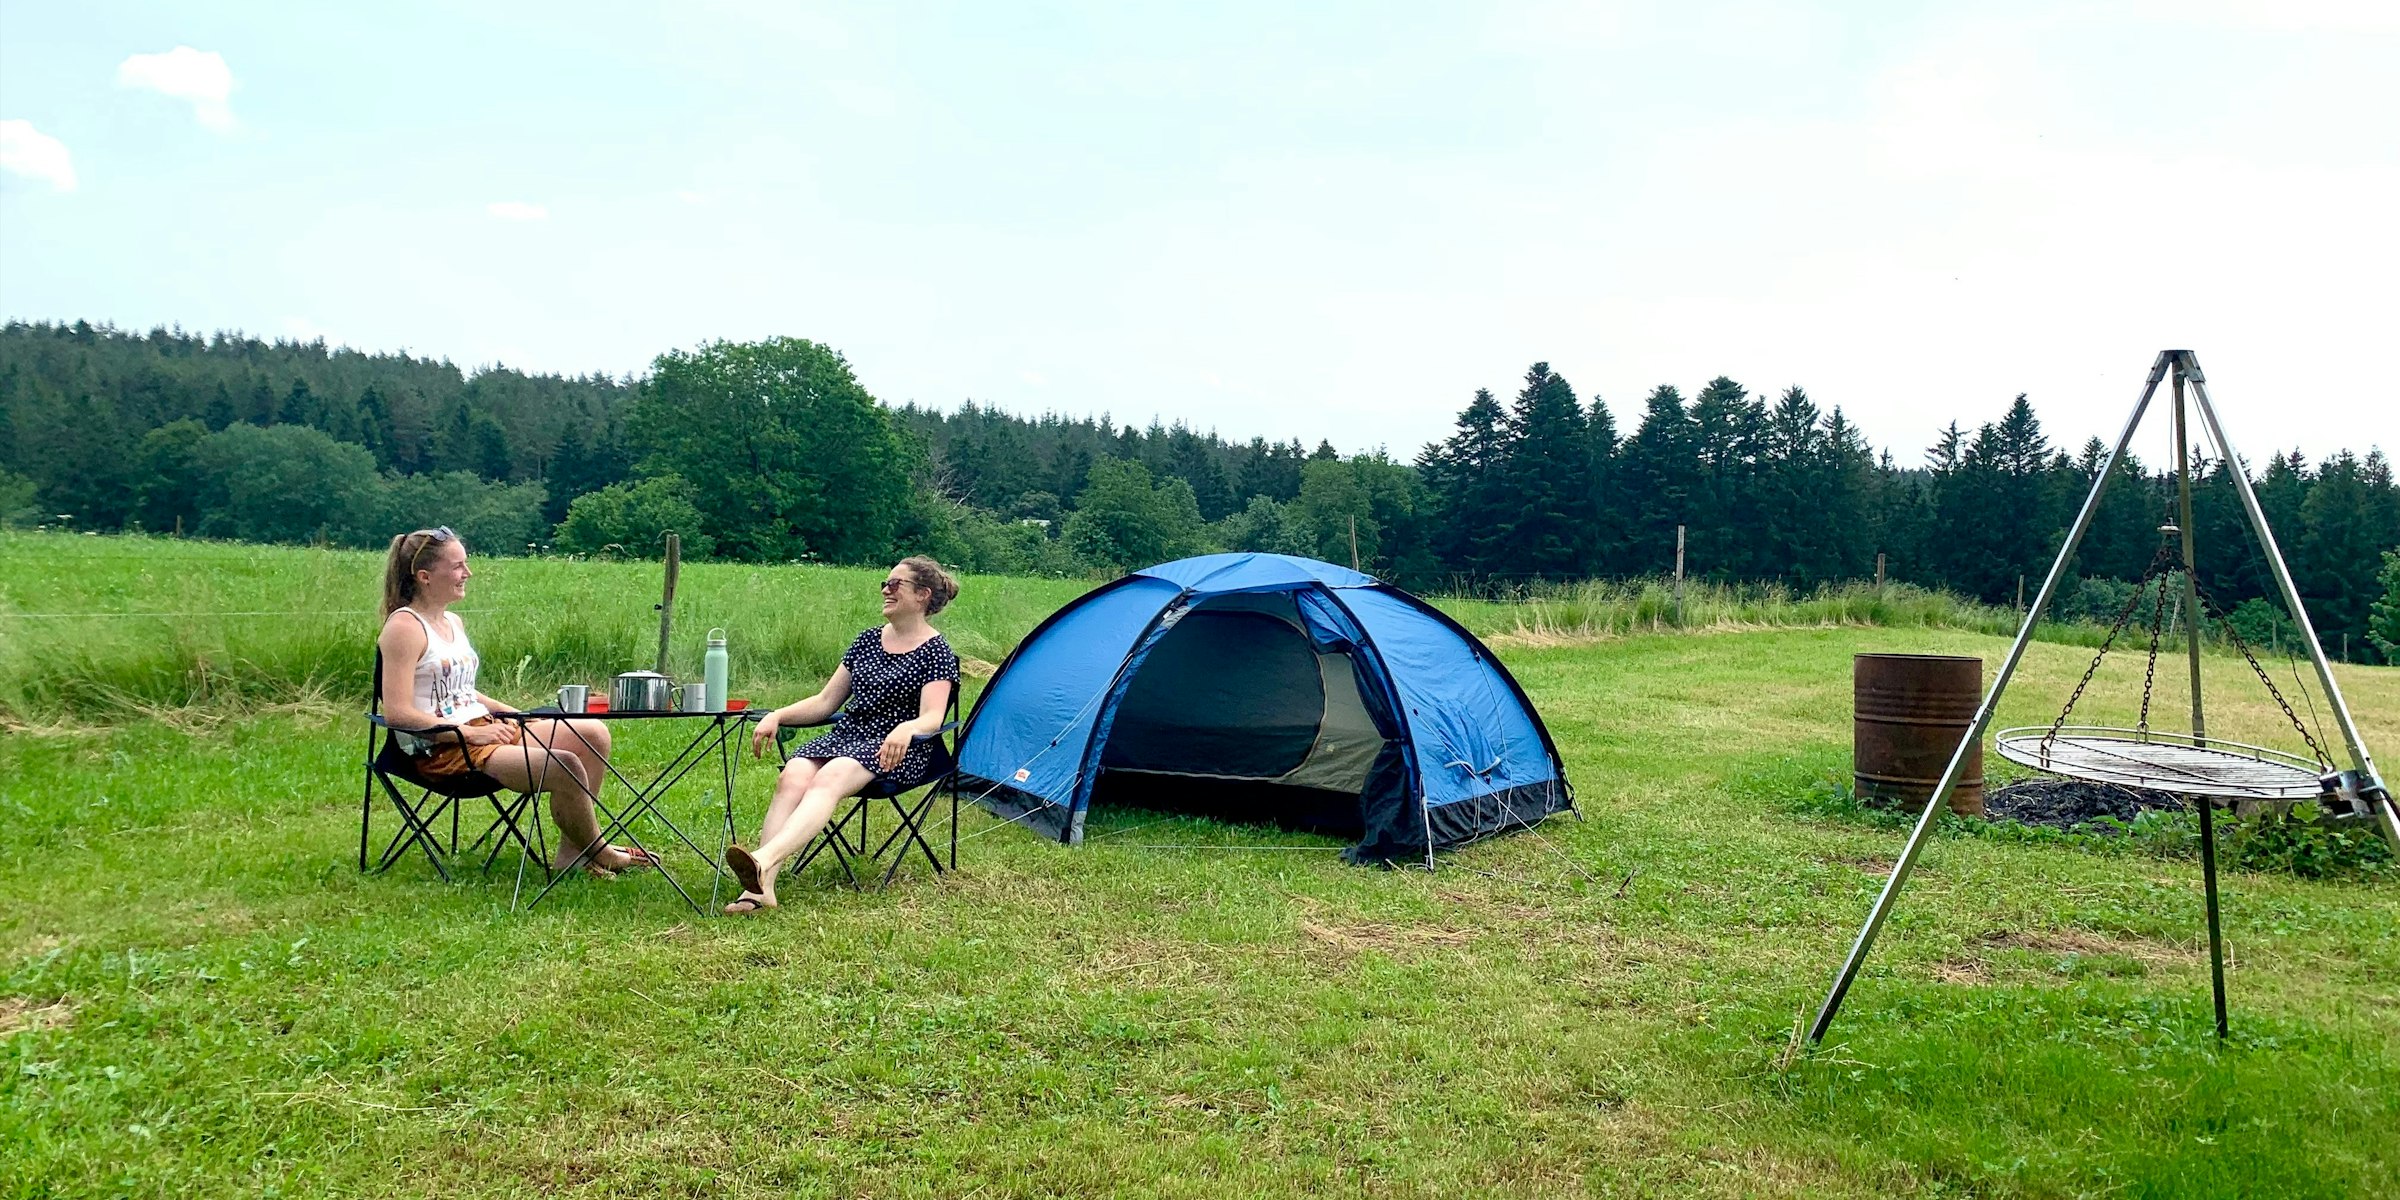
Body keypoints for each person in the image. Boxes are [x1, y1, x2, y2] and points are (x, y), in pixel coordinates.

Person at [377, 526, 650, 877]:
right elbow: (398, 714)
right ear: (425, 576)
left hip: (481, 731)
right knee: (563, 765)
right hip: (440, 750)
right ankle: (602, 850)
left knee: (592, 733)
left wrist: (510, 713)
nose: (468, 573)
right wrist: (467, 734)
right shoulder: (404, 627)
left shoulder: (452, 622)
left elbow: (460, 690)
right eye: (458, 566)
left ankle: (573, 855)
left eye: (466, 564)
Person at [726, 556, 961, 913]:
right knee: (794, 773)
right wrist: (778, 715)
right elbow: (825, 701)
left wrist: (905, 728)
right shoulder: (867, 641)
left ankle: (763, 860)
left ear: (922, 595)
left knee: (831, 774)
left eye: (895, 584)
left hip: (900, 749)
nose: (885, 589)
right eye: (885, 582)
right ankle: (763, 889)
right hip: (850, 737)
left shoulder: (936, 652)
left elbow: (932, 716)